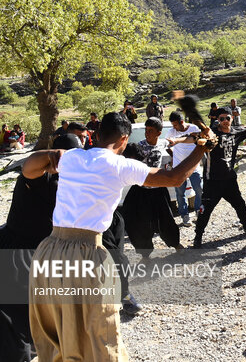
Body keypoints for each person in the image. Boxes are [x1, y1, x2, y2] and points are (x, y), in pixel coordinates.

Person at [28, 112, 211, 362]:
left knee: (57, 329)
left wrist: (51, 155)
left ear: (97, 134)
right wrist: (202, 147)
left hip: (49, 250)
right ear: (124, 139)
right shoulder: (121, 165)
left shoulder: (71, 157)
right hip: (86, 254)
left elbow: (29, 169)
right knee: (99, 331)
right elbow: (174, 178)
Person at [0, 134, 82, 362]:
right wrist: (50, 156)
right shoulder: (41, 177)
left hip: (40, 257)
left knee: (34, 322)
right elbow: (28, 166)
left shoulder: (72, 186)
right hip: (16, 256)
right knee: (15, 324)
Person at [182, 107, 246, 247]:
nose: (225, 121)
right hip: (212, 182)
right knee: (205, 211)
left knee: (240, 205)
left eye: (227, 118)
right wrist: (176, 141)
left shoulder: (237, 132)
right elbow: (193, 137)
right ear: (217, 120)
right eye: (221, 119)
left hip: (229, 180)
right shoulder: (212, 134)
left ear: (232, 118)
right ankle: (198, 237)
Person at [122, 118, 184, 259]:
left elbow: (179, 140)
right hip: (141, 191)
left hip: (159, 190)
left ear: (159, 132)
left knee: (166, 219)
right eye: (146, 130)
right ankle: (145, 254)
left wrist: (175, 158)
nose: (147, 133)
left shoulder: (163, 144)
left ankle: (176, 244)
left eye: (151, 131)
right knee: (139, 223)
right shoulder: (138, 147)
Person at [165, 111, 203, 226]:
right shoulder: (171, 132)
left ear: (182, 122)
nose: (174, 127)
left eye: (176, 125)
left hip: (194, 166)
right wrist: (173, 156)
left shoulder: (193, 128)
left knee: (199, 190)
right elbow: (167, 146)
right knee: (180, 193)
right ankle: (185, 216)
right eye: (173, 125)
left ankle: (198, 212)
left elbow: (200, 142)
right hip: (179, 168)